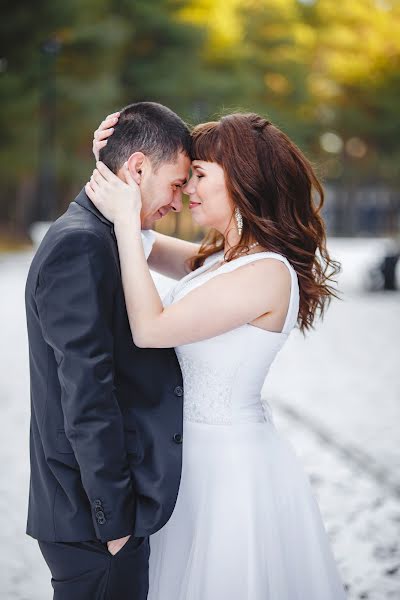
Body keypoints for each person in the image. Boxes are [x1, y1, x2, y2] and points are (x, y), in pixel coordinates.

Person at [87, 111, 346, 599]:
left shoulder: (265, 272)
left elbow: (150, 328)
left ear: (244, 181)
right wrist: (118, 164)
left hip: (229, 472)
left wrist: (124, 219)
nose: (187, 188)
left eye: (200, 175)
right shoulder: (221, 260)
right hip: (191, 461)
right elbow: (140, 238)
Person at [25, 102, 192, 600]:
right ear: (138, 168)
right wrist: (115, 522)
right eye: (177, 184)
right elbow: (86, 393)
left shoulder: (107, 235)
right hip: (93, 522)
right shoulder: (80, 245)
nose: (178, 202)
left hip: (102, 515)